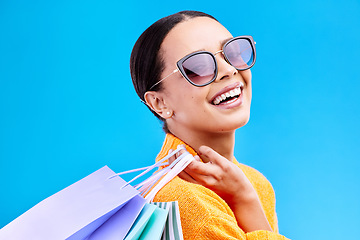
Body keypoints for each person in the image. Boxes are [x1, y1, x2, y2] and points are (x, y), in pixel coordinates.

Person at [130, 10, 289, 240]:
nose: (229, 70)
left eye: (233, 52)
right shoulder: (189, 206)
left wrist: (245, 195)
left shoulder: (254, 183)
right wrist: (245, 201)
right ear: (159, 102)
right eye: (198, 67)